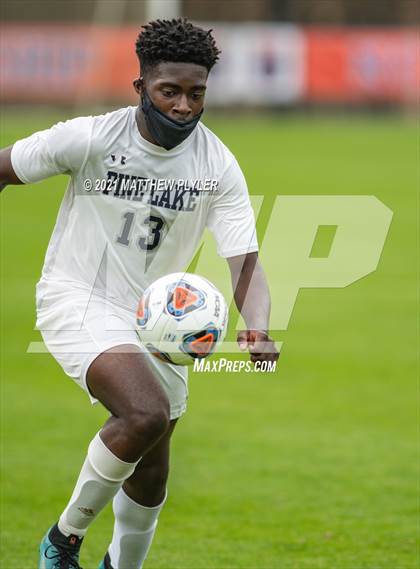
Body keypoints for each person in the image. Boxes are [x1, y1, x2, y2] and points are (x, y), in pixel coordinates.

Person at [0, 18, 278, 569]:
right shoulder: (90, 138)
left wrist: (261, 325)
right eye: (168, 91)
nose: (182, 106)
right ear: (140, 88)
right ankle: (63, 541)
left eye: (195, 93)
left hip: (157, 321)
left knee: (152, 466)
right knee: (144, 413)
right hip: (76, 297)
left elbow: (245, 262)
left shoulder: (217, 165)